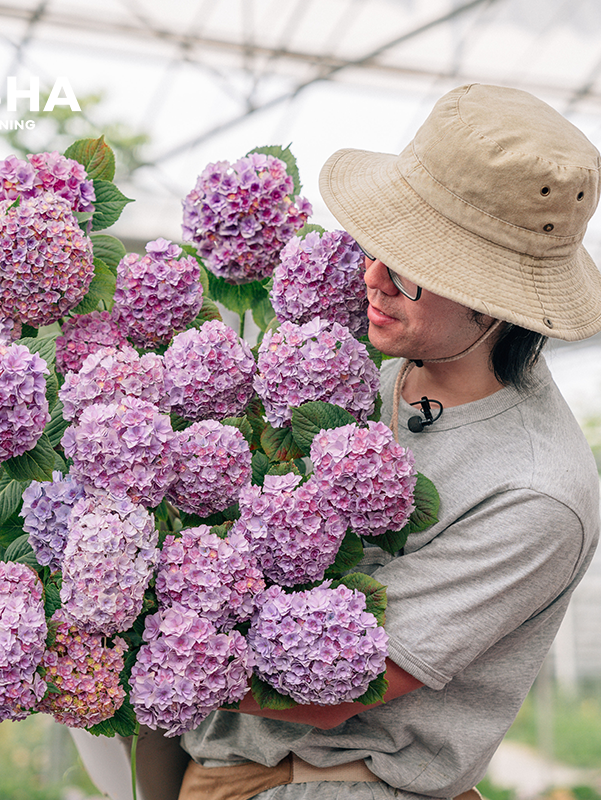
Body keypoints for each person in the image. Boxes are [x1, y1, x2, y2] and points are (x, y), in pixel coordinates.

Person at [178, 83, 601, 800]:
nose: (371, 277)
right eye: (378, 245)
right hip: (220, 767)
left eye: (411, 267)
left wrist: (110, 658)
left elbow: (339, 688)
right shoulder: (364, 356)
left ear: (492, 294)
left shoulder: (535, 492)